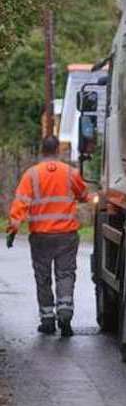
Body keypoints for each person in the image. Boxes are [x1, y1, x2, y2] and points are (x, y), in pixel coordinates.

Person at [6, 136, 91, 337]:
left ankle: (47, 320)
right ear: (58, 151)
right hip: (66, 235)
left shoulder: (31, 175)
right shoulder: (70, 172)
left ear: (42, 151)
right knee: (66, 273)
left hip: (41, 236)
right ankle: (65, 312)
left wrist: (13, 230)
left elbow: (20, 204)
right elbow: (84, 194)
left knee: (42, 277)